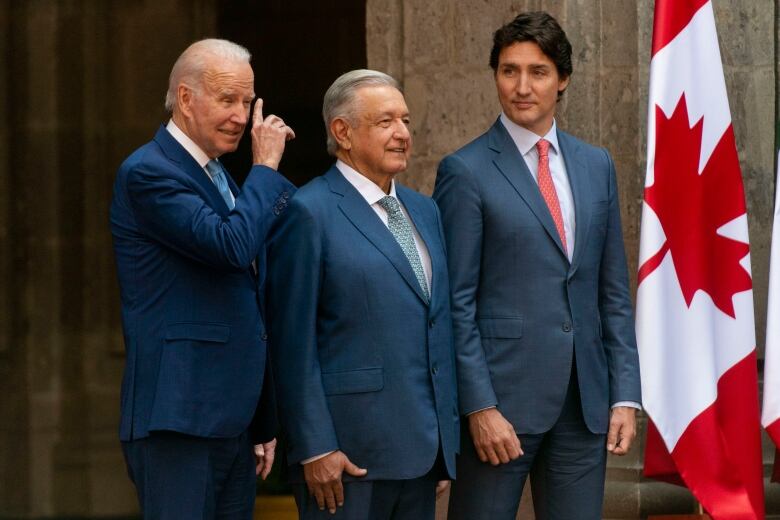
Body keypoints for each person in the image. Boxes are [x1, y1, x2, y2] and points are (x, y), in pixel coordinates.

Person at [433, 12, 641, 519]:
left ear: (562, 79)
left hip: (583, 403)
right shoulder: (465, 171)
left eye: (538, 71)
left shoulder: (596, 164)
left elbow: (611, 290)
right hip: (500, 409)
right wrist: (479, 407)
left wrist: (624, 395)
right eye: (509, 71)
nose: (521, 86)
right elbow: (453, 303)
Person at [110, 38, 295, 519]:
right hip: (178, 420)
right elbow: (231, 247)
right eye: (228, 100)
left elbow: (250, 292)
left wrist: (261, 421)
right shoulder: (148, 172)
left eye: (247, 101)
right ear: (187, 99)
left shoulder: (220, 178)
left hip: (230, 423)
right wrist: (267, 166)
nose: (241, 115)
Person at [266, 69, 458, 519]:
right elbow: (291, 341)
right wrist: (314, 447)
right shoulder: (307, 212)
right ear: (343, 132)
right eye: (386, 122)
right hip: (345, 461)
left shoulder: (424, 210)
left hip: (421, 456)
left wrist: (443, 443)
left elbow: (436, 323)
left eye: (406, 121)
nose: (403, 134)